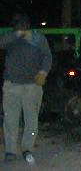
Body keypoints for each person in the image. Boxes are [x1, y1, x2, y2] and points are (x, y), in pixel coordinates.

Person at [1, 13, 52, 165]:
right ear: (14, 27)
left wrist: (43, 72)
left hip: (32, 86)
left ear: (29, 25)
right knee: (10, 120)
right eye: (18, 26)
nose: (22, 28)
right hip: (12, 85)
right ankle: (10, 151)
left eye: (24, 25)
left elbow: (47, 57)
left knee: (31, 120)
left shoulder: (38, 38)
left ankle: (27, 148)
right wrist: (17, 35)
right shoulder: (9, 38)